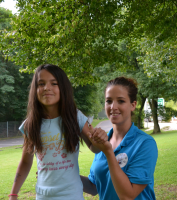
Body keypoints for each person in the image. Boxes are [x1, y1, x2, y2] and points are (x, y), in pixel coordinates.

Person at [8, 64, 107, 200]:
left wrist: (99, 140)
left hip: (72, 195)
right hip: (43, 196)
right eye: (41, 84)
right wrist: (13, 194)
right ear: (35, 90)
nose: (47, 88)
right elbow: (26, 162)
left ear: (63, 88)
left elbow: (94, 147)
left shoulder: (75, 117)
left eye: (54, 83)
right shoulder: (31, 125)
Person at [80, 77, 158, 200]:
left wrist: (108, 151)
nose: (113, 107)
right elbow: (93, 187)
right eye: (109, 101)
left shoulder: (145, 144)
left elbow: (127, 195)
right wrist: (63, 173)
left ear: (133, 105)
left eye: (121, 101)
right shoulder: (102, 141)